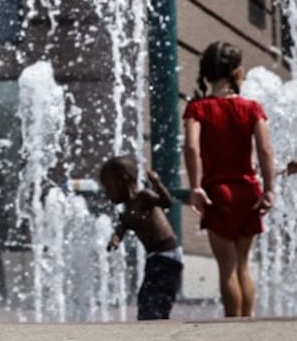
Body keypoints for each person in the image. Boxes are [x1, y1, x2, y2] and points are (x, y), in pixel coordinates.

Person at [182, 39, 278, 318]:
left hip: (218, 193)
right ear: (237, 73)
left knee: (227, 267)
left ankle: (232, 330)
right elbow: (265, 149)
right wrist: (269, 189)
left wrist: (196, 187)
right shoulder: (252, 108)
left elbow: (191, 147)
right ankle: (247, 326)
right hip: (248, 191)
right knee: (243, 265)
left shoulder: (198, 109)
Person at [97, 154, 182, 320]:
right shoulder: (127, 212)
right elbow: (121, 228)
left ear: (124, 180)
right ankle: (153, 326)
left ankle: (158, 327)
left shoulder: (144, 197)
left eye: (108, 187)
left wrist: (157, 184)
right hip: (155, 258)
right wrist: (115, 239)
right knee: (146, 300)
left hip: (167, 256)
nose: (107, 194)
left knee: (156, 300)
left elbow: (167, 203)